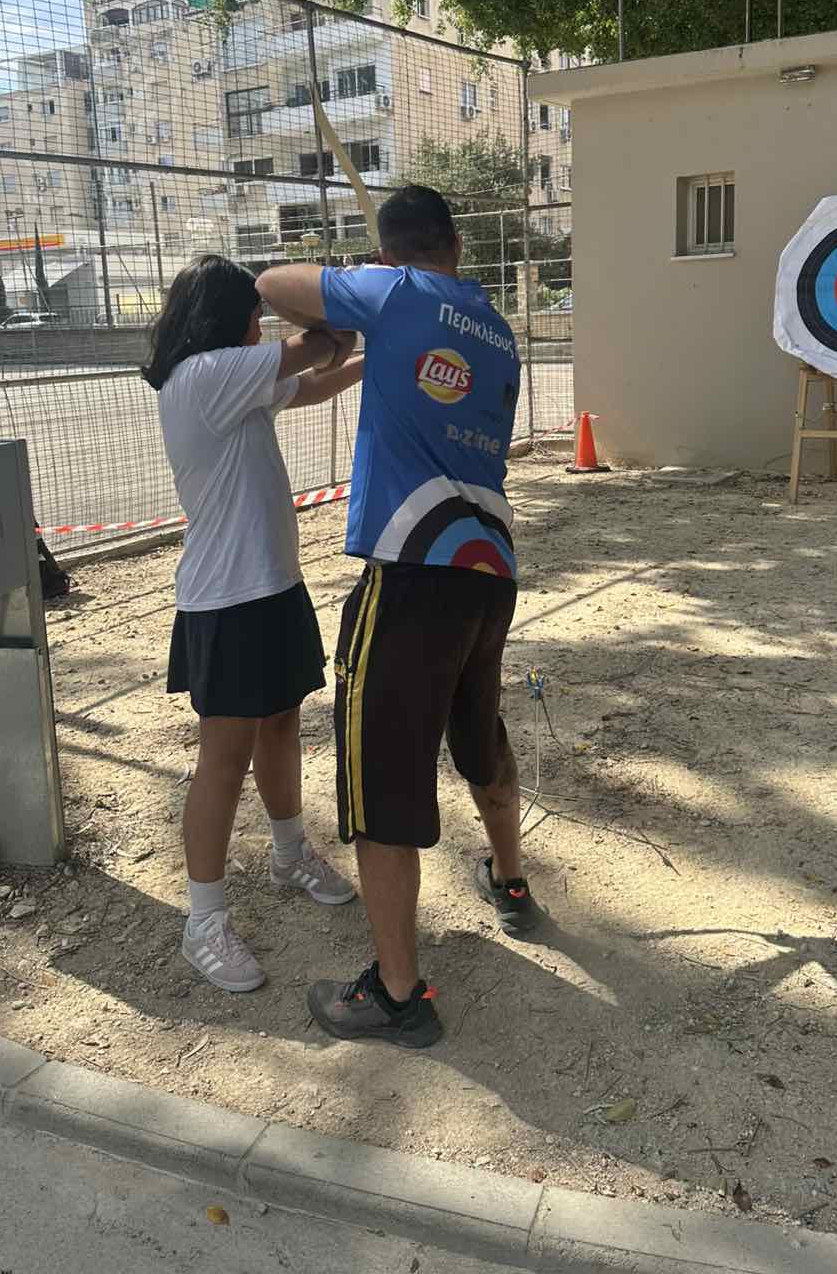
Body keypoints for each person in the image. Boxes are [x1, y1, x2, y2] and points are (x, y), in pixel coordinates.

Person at [256, 185, 537, 1049]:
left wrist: (354, 292)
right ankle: (511, 879)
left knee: (381, 780)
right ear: (456, 245)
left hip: (412, 574)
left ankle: (397, 992)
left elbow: (272, 283)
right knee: (478, 729)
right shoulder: (495, 327)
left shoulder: (394, 292)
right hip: (488, 565)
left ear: (389, 255)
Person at [142, 254, 363, 992]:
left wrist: (372, 360)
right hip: (226, 601)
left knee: (280, 725)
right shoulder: (204, 376)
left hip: (270, 587)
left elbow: (314, 381)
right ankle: (202, 923)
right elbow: (318, 347)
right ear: (230, 318)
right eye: (255, 316)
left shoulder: (231, 381)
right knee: (223, 758)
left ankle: (289, 854)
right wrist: (349, 310)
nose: (261, 327)